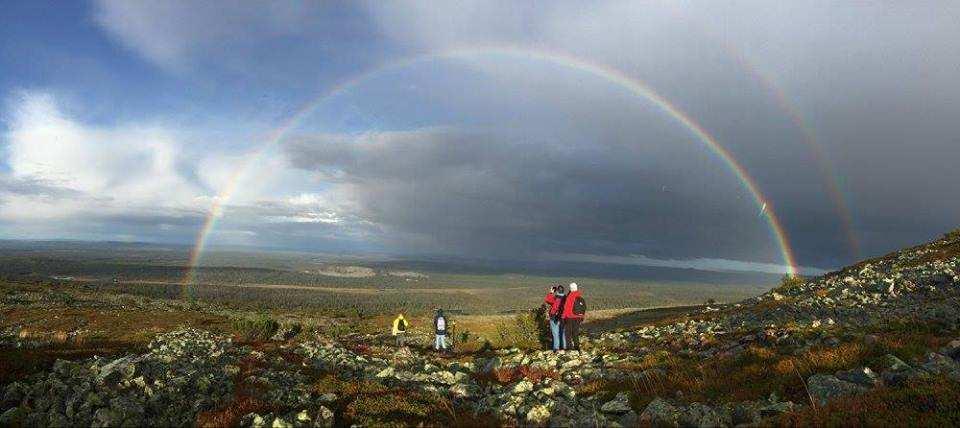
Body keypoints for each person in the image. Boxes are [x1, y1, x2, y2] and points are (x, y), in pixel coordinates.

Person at [561, 282, 586, 351]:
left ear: (570, 288)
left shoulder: (570, 296)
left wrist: (563, 318)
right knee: (575, 333)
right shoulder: (580, 297)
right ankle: (577, 347)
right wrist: (582, 317)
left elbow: (566, 308)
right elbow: (584, 308)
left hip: (570, 317)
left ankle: (569, 348)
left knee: (568, 333)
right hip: (578, 318)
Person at [544, 284, 566, 351]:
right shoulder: (566, 298)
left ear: (557, 291)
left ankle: (556, 348)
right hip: (563, 317)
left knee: (555, 333)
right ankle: (564, 347)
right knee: (563, 333)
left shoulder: (555, 298)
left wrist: (551, 292)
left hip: (554, 317)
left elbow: (547, 299)